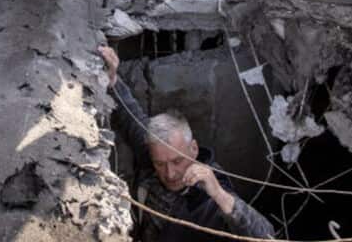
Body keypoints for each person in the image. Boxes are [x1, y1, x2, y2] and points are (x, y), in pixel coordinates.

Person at [99, 46, 276, 241]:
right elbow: (130, 117)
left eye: (177, 161)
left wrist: (219, 194)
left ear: (193, 149)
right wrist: (112, 78)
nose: (170, 174)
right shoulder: (155, 152)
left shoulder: (210, 195)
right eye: (160, 164)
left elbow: (266, 236)